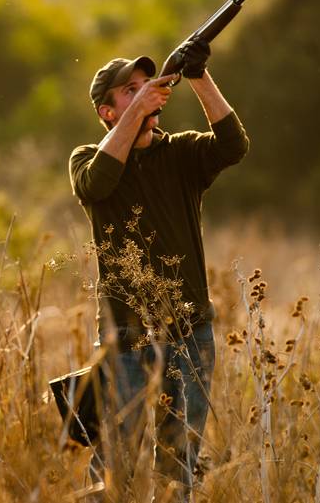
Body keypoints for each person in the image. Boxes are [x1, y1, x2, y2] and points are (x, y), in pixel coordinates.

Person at [68, 39, 248, 498]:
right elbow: (98, 184)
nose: (146, 93)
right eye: (130, 90)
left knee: (178, 464)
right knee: (114, 466)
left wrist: (199, 77)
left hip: (189, 333)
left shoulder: (181, 153)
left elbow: (233, 146)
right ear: (107, 112)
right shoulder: (87, 160)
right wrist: (138, 113)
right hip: (124, 339)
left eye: (147, 85)